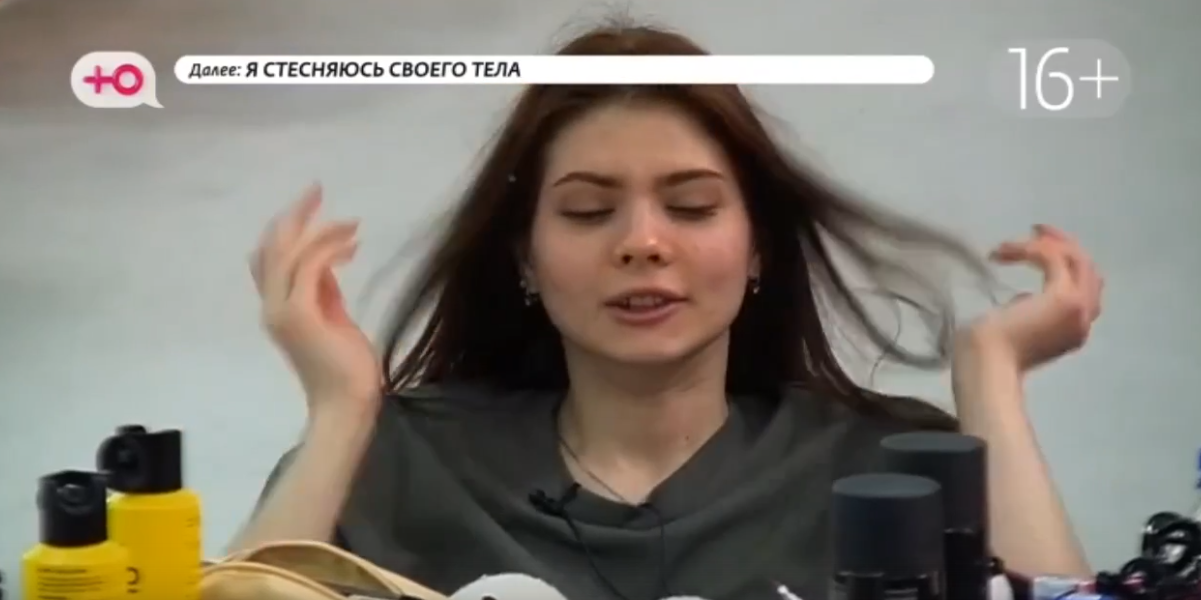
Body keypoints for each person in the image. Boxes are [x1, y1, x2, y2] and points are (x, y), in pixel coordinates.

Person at [237, 22, 1103, 600]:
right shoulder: (398, 457)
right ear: (524, 259)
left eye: (690, 207)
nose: (643, 243)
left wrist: (990, 379)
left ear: (757, 247)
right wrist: (341, 407)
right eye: (587, 211)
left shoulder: (884, 469)